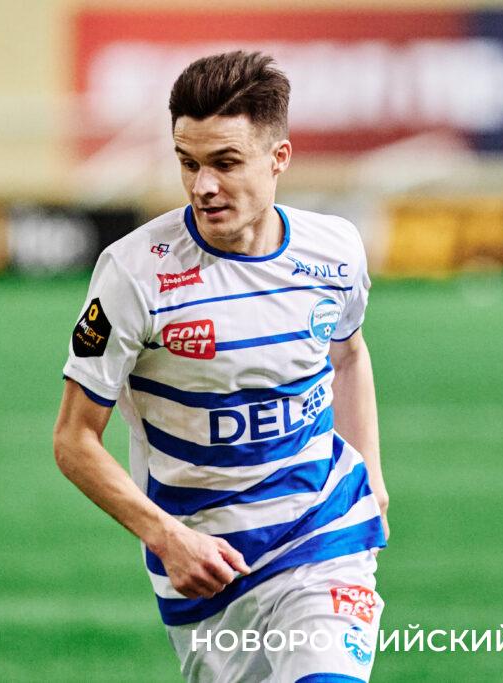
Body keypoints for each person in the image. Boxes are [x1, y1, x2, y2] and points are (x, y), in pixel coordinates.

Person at [54, 51, 390, 681]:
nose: (202, 185)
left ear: (278, 158)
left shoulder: (336, 251)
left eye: (225, 163)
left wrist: (369, 471)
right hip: (207, 566)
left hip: (325, 533)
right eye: (188, 162)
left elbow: (348, 354)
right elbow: (74, 440)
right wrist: (167, 538)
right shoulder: (134, 273)